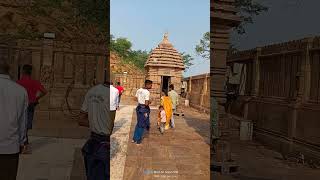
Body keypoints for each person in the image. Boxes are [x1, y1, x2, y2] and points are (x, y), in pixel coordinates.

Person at [78, 80, 119, 180]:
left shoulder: (92, 91)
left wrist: (95, 124)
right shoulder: (113, 93)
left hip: (92, 142)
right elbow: (111, 124)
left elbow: (81, 120)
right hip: (104, 144)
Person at [0, 61, 28, 180]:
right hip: (10, 147)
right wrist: (22, 142)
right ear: (9, 71)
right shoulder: (20, 91)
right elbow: (23, 121)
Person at [16, 64, 47, 154]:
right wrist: (37, 98)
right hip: (31, 104)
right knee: (26, 124)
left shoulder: (18, 82)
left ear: (23, 72)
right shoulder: (34, 82)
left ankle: (24, 144)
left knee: (21, 123)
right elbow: (44, 91)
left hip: (21, 104)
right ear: (31, 72)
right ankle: (25, 144)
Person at [132, 80, 153, 144]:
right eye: (151, 85)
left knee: (138, 123)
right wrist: (150, 101)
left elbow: (135, 99)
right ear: (147, 84)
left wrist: (140, 100)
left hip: (138, 107)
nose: (151, 86)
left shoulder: (139, 90)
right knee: (142, 124)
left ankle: (134, 138)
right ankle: (138, 139)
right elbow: (146, 103)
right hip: (144, 109)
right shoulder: (147, 92)